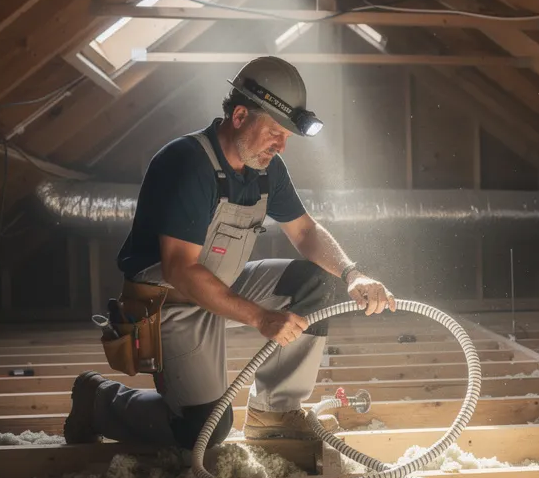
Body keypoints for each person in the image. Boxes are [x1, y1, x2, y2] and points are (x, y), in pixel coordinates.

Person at [63, 56, 396, 449]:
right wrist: (261, 317)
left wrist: (352, 273)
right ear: (240, 116)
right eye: (274, 131)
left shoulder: (266, 168)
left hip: (223, 282)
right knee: (202, 430)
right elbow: (180, 269)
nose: (282, 144)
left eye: (287, 135)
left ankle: (273, 413)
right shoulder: (187, 164)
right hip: (170, 301)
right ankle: (99, 401)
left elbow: (305, 231)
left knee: (312, 283)